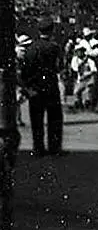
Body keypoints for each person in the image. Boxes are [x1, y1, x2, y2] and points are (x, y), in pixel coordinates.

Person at [20, 17, 65, 157]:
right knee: (55, 120)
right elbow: (60, 67)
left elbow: (25, 71)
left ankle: (38, 148)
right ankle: (54, 148)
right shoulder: (55, 48)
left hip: (35, 89)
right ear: (51, 31)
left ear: (38, 31)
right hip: (51, 87)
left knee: (37, 120)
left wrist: (27, 87)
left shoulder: (31, 49)